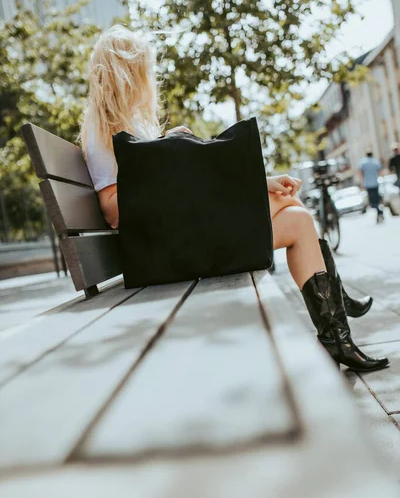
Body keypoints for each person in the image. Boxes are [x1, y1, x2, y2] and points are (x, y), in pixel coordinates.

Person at [81, 25, 389, 373]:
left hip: (180, 237)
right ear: (127, 73)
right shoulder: (103, 131)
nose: (151, 77)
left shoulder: (131, 124)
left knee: (298, 218)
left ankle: (337, 333)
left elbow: (174, 188)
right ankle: (336, 315)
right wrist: (165, 158)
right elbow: (113, 212)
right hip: (169, 250)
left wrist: (168, 151)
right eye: (145, 69)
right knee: (294, 212)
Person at [358, 151, 384, 223]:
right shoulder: (375, 161)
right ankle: (379, 212)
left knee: (372, 201)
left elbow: (361, 173)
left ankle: (379, 212)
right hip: (375, 183)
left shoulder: (363, 162)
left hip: (368, 184)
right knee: (376, 199)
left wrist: (362, 183)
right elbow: (379, 171)